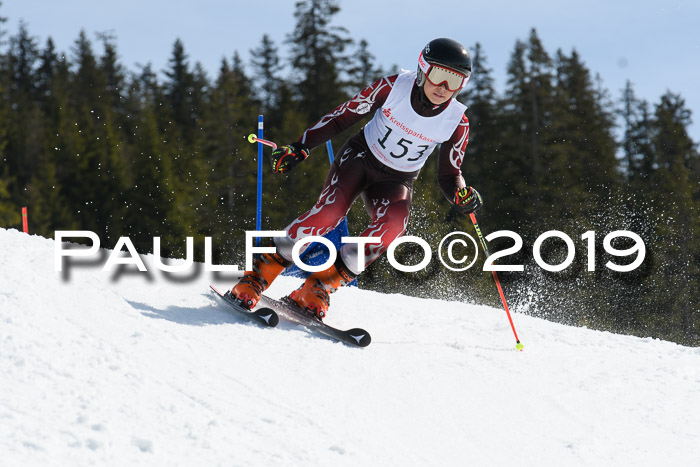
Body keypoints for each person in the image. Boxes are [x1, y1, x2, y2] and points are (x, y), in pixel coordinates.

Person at [231, 38, 483, 319]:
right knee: (329, 214)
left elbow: (450, 175)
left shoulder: (457, 122)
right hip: (360, 158)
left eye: (455, 81)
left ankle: (318, 287)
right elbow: (342, 116)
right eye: (438, 76)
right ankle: (258, 275)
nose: (444, 88)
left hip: (397, 181)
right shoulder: (393, 88)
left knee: (392, 226)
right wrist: (301, 146)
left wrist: (461, 195)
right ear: (423, 69)